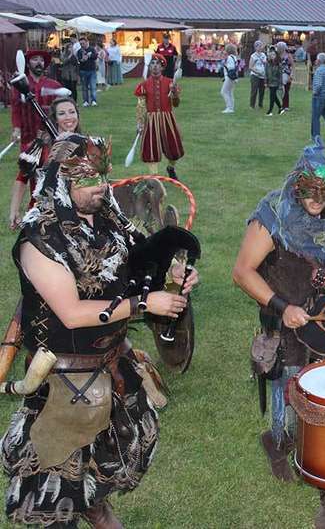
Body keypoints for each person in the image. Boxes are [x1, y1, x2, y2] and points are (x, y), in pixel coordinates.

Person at [2, 133, 197, 528]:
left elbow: (138, 264)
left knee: (98, 477)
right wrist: (143, 304)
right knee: (56, 498)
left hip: (111, 367)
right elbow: (72, 313)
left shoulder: (109, 218)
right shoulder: (39, 238)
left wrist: (174, 274)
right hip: (63, 381)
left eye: (103, 177)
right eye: (89, 181)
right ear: (62, 181)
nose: (101, 188)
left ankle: (96, 507)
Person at [232, 141, 325, 529]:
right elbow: (243, 271)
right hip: (288, 325)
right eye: (311, 193)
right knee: (290, 408)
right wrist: (282, 307)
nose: (317, 202)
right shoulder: (273, 212)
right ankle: (276, 441)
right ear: (298, 184)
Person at [9, 96, 80, 230]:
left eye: (72, 112)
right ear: (55, 118)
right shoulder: (41, 146)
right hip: (43, 215)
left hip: (76, 215)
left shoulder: (85, 144)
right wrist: (14, 210)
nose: (68, 117)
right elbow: (22, 179)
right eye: (62, 113)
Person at [134, 53, 184, 179]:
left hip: (167, 119)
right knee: (151, 148)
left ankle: (171, 168)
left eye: (158, 64)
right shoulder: (144, 85)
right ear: (149, 66)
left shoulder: (170, 83)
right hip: (151, 120)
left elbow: (176, 104)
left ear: (162, 67)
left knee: (174, 148)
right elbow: (141, 105)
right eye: (152, 63)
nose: (155, 66)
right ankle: (154, 177)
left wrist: (174, 93)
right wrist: (140, 123)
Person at [10, 50, 63, 150]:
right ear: (27, 64)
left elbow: (62, 110)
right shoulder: (19, 85)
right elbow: (16, 109)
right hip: (28, 138)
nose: (39, 63)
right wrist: (16, 129)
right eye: (35, 59)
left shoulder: (54, 85)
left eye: (41, 60)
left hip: (50, 137)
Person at [76, 37, 98, 107]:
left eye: (83, 43)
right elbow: (78, 60)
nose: (82, 45)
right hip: (83, 70)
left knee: (93, 86)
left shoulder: (92, 49)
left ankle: (93, 100)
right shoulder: (79, 51)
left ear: (86, 42)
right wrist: (82, 60)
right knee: (84, 87)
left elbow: (95, 56)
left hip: (92, 70)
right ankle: (85, 101)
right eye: (80, 44)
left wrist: (89, 55)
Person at [220, 43, 239, 114]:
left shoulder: (229, 58)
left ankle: (229, 107)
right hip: (233, 77)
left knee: (224, 91)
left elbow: (231, 68)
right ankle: (231, 107)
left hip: (229, 77)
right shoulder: (234, 57)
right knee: (230, 92)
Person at [276, 41, 293, 114]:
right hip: (279, 74)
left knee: (286, 90)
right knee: (281, 90)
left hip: (287, 74)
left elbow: (292, 65)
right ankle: (282, 104)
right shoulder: (277, 56)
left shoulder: (288, 56)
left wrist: (291, 75)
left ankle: (286, 105)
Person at [249, 40, 267, 109]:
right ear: (255, 47)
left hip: (262, 75)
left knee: (262, 90)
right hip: (255, 75)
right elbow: (250, 67)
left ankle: (260, 104)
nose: (260, 47)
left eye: (261, 46)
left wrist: (264, 62)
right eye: (258, 46)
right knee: (254, 90)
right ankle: (252, 105)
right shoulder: (253, 56)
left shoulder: (263, 55)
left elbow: (266, 63)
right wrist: (257, 72)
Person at [265, 48, 283, 116]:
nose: (272, 56)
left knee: (272, 96)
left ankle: (270, 111)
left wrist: (280, 84)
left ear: (276, 55)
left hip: (275, 82)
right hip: (270, 81)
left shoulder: (278, 64)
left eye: (274, 55)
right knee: (274, 96)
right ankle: (280, 107)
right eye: (271, 55)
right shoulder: (268, 63)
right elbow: (266, 73)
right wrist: (265, 82)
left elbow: (280, 75)